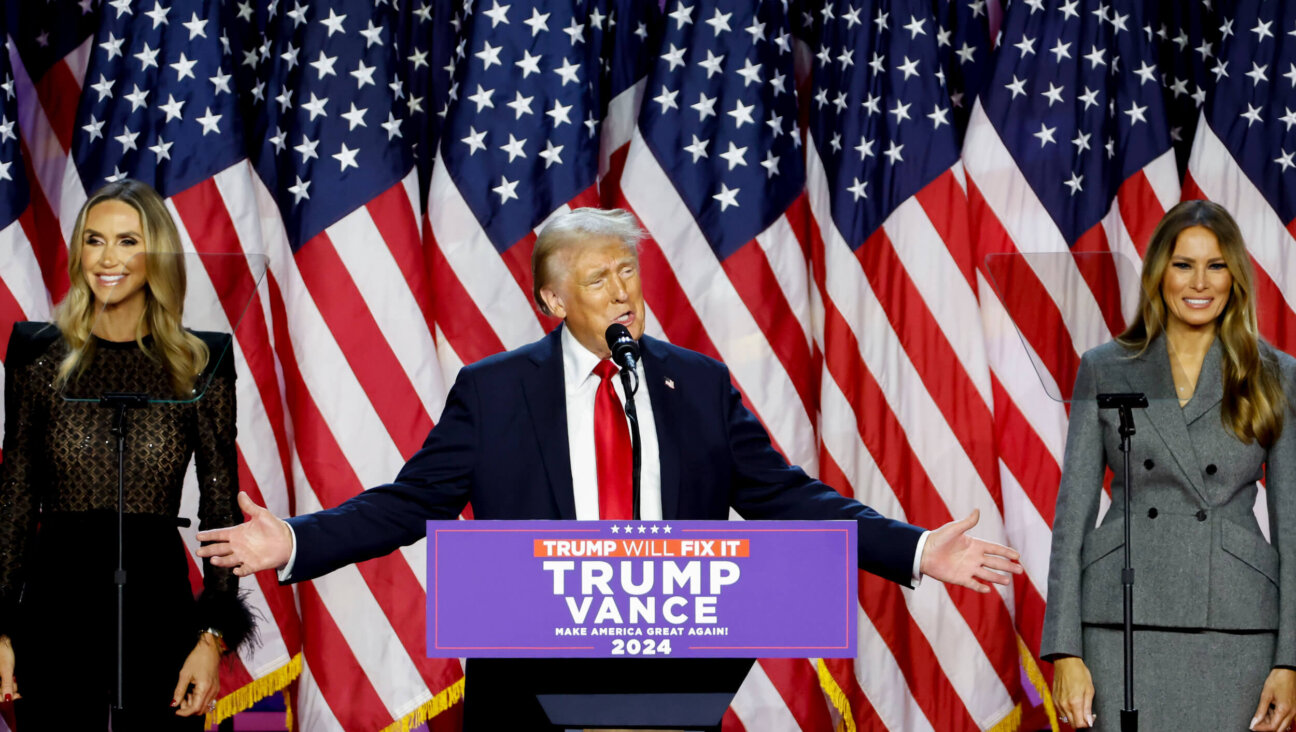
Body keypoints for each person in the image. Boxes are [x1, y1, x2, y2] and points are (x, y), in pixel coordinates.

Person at [197, 207, 1021, 729]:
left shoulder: (694, 383)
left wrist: (916, 550)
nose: (622, 290)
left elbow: (783, 496)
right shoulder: (494, 392)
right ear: (553, 303)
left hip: (666, 677)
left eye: (628, 270)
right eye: (598, 278)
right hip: (527, 680)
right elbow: (413, 502)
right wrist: (297, 544)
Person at [0, 180, 253, 730]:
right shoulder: (38, 356)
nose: (107, 258)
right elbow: (15, 498)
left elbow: (220, 509)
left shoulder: (199, 361)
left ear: (156, 255)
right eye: (94, 240)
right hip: (54, 609)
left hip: (158, 606)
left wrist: (212, 637)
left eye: (127, 241)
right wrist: (0, 627)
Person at [1042, 200, 1296, 731]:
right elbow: (1072, 518)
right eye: (1183, 264)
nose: (1199, 282)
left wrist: (1289, 659)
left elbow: (1295, 528)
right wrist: (1065, 648)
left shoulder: (1276, 375)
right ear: (1160, 272)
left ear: (1235, 277)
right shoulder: (1105, 367)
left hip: (1235, 628)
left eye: (1216, 265)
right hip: (1120, 624)